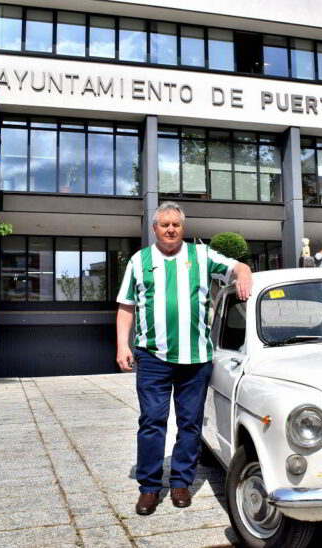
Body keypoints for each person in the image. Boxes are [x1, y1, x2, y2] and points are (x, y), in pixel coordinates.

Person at [116, 202, 252, 516]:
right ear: (154, 229)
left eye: (176, 224)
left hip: (196, 359)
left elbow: (236, 267)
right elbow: (126, 306)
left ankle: (180, 482)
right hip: (152, 357)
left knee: (190, 425)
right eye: (164, 224)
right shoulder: (140, 261)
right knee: (152, 422)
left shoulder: (201, 256)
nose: (170, 229)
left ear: (183, 227)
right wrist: (122, 346)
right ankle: (149, 488)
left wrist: (243, 272)